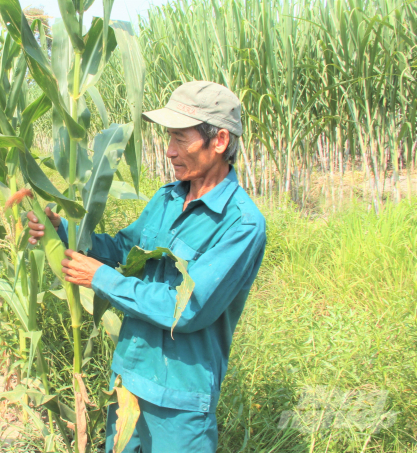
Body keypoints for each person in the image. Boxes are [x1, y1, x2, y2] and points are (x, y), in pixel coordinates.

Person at [28, 81, 266, 452]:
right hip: (128, 380)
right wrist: (64, 231)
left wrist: (100, 278)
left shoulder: (241, 225)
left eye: (180, 139)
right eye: (167, 138)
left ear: (219, 141)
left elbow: (187, 309)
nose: (169, 151)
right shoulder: (167, 198)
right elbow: (123, 250)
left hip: (179, 402)